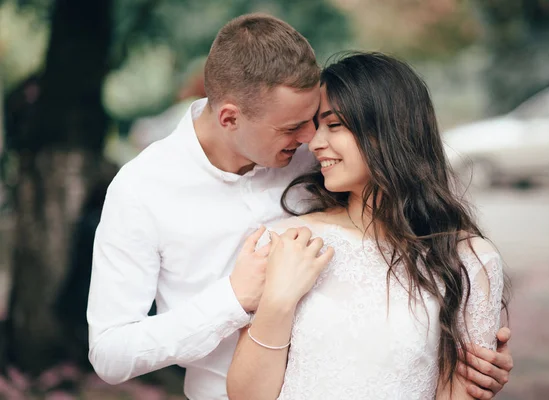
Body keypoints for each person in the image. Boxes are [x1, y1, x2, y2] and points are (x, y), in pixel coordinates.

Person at [87, 14, 513, 400]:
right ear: (230, 119)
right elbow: (110, 354)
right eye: (294, 127)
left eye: (321, 120)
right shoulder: (142, 190)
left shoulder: (324, 159)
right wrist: (233, 299)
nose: (311, 138)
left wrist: (470, 371)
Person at [226, 52, 511, 400]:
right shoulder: (292, 240)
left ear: (386, 130)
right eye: (316, 127)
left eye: (333, 125)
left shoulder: (469, 261)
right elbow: (246, 395)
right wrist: (278, 301)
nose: (315, 143)